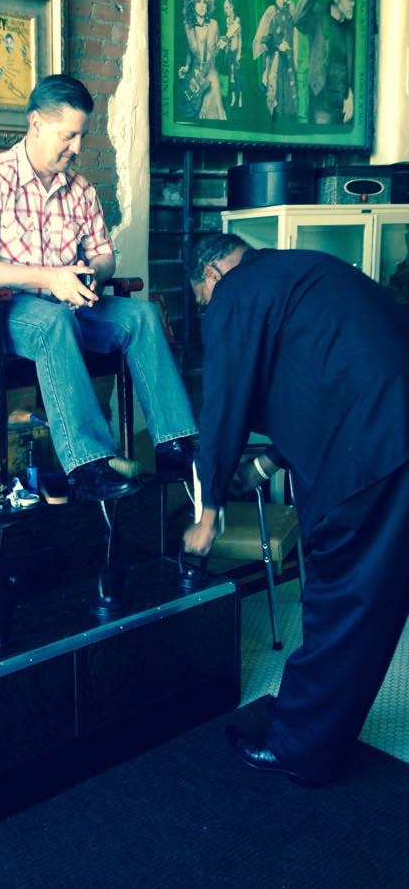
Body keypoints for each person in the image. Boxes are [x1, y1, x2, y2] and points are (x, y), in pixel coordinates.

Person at [183, 232, 409, 786]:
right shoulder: (308, 271)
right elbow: (326, 373)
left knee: (339, 599)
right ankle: (322, 734)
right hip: (393, 432)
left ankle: (299, 750)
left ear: (212, 275)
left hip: (372, 449)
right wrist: (265, 466)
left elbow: (225, 401)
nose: (209, 310)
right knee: (376, 599)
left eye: (202, 302)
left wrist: (208, 512)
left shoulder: (235, 292)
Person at [0, 74, 198, 502]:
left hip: (69, 304)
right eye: (68, 135)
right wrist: (49, 277)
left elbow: (104, 256)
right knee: (54, 323)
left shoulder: (81, 189)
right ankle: (88, 464)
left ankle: (176, 446)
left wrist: (91, 274)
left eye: (81, 136)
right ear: (36, 124)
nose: (77, 147)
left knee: (141, 316)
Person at [294, 0, 360, 125]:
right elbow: (298, 19)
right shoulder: (318, 15)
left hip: (344, 104)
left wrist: (351, 92)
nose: (353, 3)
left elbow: (352, 65)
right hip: (322, 105)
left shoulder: (350, 28)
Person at [178, 0, 226, 121]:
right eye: (198, 2)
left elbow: (217, 49)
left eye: (205, 2)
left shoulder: (214, 25)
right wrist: (186, 67)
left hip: (210, 72)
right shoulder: (188, 26)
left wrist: (223, 47)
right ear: (192, 5)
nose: (202, 5)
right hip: (194, 75)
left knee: (213, 113)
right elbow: (190, 50)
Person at [252, 0, 297, 119]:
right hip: (276, 61)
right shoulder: (271, 11)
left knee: (289, 99)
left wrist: (293, 11)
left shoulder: (289, 10)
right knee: (276, 98)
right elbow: (264, 40)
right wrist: (278, 46)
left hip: (288, 60)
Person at [219, 0, 242, 109]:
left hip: (235, 51)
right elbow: (226, 37)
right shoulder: (226, 20)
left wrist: (239, 54)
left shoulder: (237, 20)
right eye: (224, 8)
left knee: (237, 76)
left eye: (227, 7)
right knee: (230, 76)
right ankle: (233, 98)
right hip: (228, 52)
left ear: (232, 7)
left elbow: (239, 38)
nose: (225, 10)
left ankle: (240, 97)